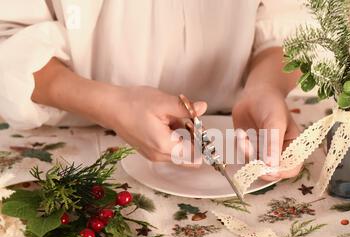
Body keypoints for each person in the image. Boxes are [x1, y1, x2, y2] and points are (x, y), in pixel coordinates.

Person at [0, 0, 307, 180]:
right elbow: (8, 38)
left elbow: (292, 21)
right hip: (71, 143)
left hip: (238, 128)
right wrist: (110, 104)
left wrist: (267, 85)